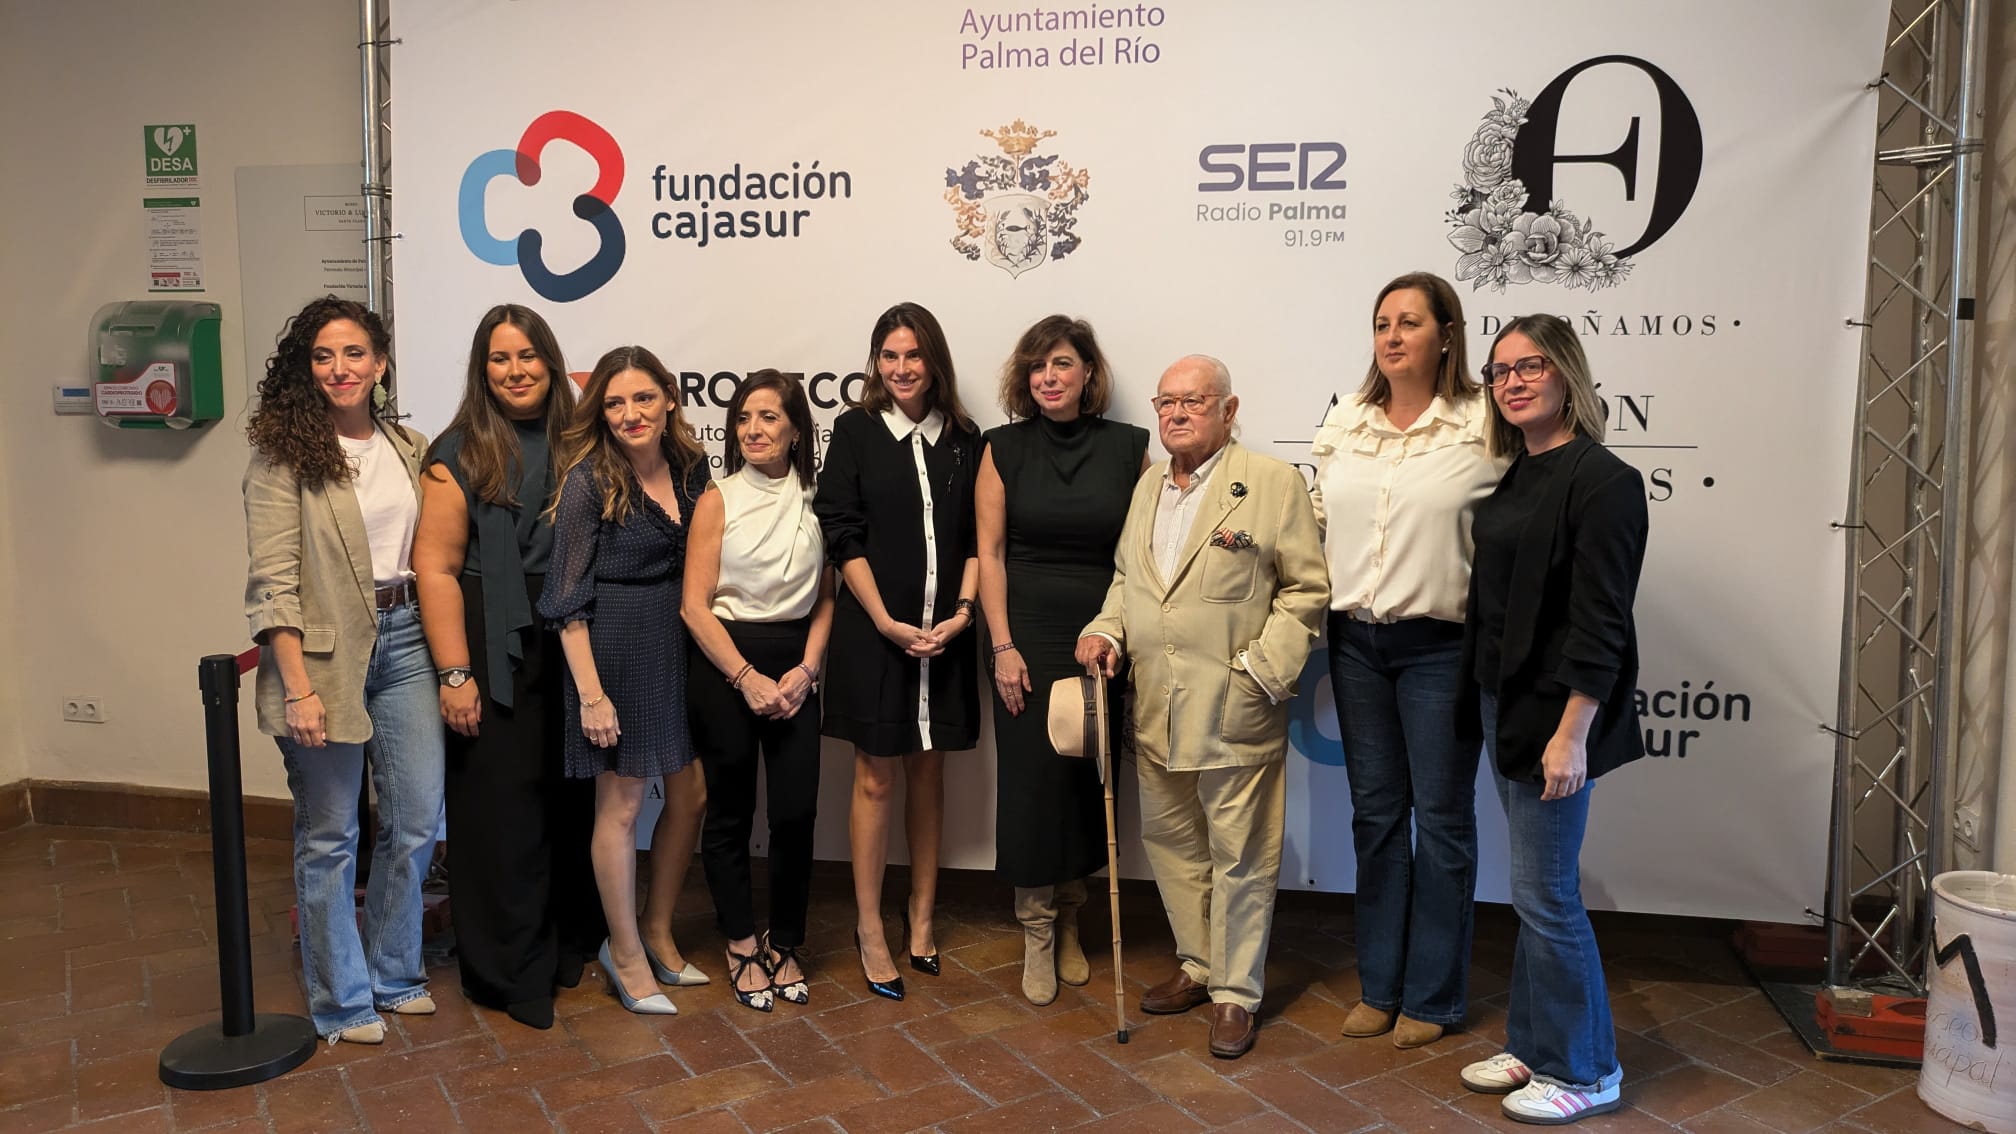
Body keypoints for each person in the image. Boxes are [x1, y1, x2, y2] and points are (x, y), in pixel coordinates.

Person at [1076, 355, 1328, 1060]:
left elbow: (1305, 592)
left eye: (1193, 401)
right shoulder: (1148, 486)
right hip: (1155, 706)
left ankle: (1236, 994)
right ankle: (1198, 964)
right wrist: (1104, 629)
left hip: (1235, 708)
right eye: (1166, 403)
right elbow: (1130, 580)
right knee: (1174, 848)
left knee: (1241, 856)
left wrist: (1261, 674)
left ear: (1228, 408)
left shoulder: (1273, 484)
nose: (1177, 414)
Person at [1457, 314, 1648, 1124]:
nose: (1513, 381)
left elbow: (1601, 622)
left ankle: (1588, 1067)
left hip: (1556, 717)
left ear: (1567, 372)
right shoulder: (1518, 473)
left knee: (1549, 896)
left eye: (1530, 366)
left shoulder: (1603, 481)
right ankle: (1535, 1045)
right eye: (1499, 371)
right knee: (1531, 891)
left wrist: (1572, 730)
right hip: (1507, 705)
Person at [242, 295, 444, 1045]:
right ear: (307, 368)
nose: (339, 368)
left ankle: (395, 973)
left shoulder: (410, 446)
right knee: (330, 836)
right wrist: (297, 689)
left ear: (380, 363)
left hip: (408, 642)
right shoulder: (282, 459)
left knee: (417, 818)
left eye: (353, 353)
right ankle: (342, 1000)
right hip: (320, 659)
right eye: (323, 356)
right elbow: (273, 583)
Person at [1311, 272, 1505, 1049]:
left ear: (1447, 335)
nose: (1392, 337)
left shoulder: (1485, 422)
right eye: (1382, 323)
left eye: (1410, 323)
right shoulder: (1348, 420)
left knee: (1445, 823)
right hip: (1356, 642)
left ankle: (1433, 997)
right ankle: (1379, 985)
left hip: (1441, 650)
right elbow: (1315, 519)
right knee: (1376, 818)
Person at [412, 304, 605, 1030]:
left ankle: (562, 945)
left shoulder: (581, 442)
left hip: (575, 636)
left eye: (527, 356)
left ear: (551, 363)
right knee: (502, 813)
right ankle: (506, 971)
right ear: (481, 370)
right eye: (500, 358)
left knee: (566, 800)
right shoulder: (457, 452)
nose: (515, 370)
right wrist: (454, 673)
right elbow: (433, 569)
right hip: (494, 640)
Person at [975, 315, 1148, 1006]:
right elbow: (988, 553)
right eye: (1037, 366)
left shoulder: (1130, 448)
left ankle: (1073, 917)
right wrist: (1002, 645)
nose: (1048, 377)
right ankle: (1037, 930)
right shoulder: (1001, 449)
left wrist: (1117, 634)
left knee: (1089, 780)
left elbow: (1138, 555)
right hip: (1028, 637)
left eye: (1063, 364)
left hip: (1103, 634)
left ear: (1088, 374)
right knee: (1032, 786)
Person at [814, 302, 983, 1001]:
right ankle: (868, 927)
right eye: (889, 355)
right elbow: (841, 531)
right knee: (876, 776)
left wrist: (965, 614)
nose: (902, 368)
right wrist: (883, 619)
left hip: (945, 637)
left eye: (913, 355)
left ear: (933, 360)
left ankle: (919, 917)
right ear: (875, 363)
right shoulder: (853, 432)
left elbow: (979, 537)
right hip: (874, 635)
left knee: (929, 773)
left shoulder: (967, 439)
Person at [538, 345, 712, 1016]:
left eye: (642, 398)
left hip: (680, 647)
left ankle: (659, 931)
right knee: (621, 805)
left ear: (669, 398)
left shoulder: (692, 468)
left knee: (690, 793)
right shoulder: (589, 480)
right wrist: (592, 695)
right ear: (600, 412)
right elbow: (565, 599)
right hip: (615, 650)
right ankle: (626, 952)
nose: (631, 413)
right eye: (614, 402)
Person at [683, 371, 835, 1013]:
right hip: (726, 662)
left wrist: (806, 670)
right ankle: (742, 943)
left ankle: (789, 942)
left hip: (797, 663)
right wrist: (745, 678)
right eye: (744, 417)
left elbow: (828, 596)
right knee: (730, 813)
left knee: (796, 814)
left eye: (769, 417)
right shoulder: (717, 497)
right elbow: (694, 606)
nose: (754, 430)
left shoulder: (819, 498)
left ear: (796, 429)